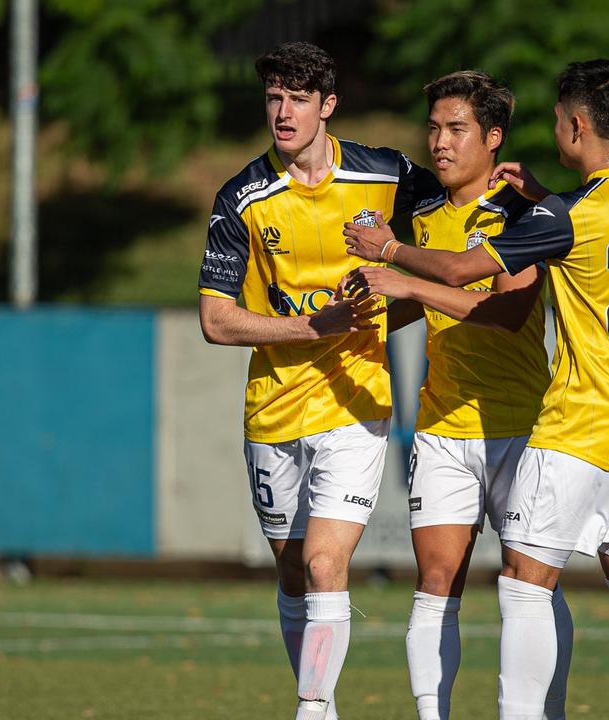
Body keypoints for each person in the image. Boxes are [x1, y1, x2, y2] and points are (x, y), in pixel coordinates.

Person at [343, 59, 609, 720]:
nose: (440, 141)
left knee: (523, 588)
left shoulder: (559, 216)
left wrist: (390, 256)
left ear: (574, 124)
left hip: (575, 424)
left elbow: (469, 276)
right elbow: (573, 231)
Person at [197, 41, 440, 720]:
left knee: (327, 565)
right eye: (274, 97)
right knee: (294, 569)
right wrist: (315, 328)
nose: (283, 111)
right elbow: (216, 322)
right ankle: (320, 704)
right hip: (273, 410)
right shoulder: (242, 198)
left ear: (328, 105)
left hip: (356, 404)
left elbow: (456, 211)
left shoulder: (387, 175)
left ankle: (312, 707)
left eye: (298, 98)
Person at [345, 70, 573, 720]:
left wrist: (408, 283)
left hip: (524, 427)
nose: (439, 143)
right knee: (436, 582)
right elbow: (418, 309)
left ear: (493, 137)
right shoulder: (419, 215)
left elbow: (504, 314)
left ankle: (543, 713)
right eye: (434, 128)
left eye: (456, 129)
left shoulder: (526, 213)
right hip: (443, 427)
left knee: (529, 588)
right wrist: (353, 315)